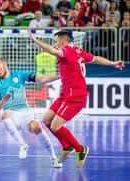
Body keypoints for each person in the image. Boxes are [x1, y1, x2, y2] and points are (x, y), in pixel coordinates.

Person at [28, 30, 125, 168]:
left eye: (56, 42)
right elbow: (96, 58)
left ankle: (80, 149)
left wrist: (36, 40)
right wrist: (113, 63)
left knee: (56, 126)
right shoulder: (78, 50)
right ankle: (66, 146)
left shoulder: (66, 50)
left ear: (62, 42)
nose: (54, 44)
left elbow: (53, 51)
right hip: (65, 94)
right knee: (45, 119)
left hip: (75, 96)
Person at [0, 56, 62, 168]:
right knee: (3, 116)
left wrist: (60, 76)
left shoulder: (19, 75)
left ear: (5, 65)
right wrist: (3, 102)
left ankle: (54, 158)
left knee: (37, 129)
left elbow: (41, 79)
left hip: (25, 111)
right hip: (12, 114)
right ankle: (22, 144)